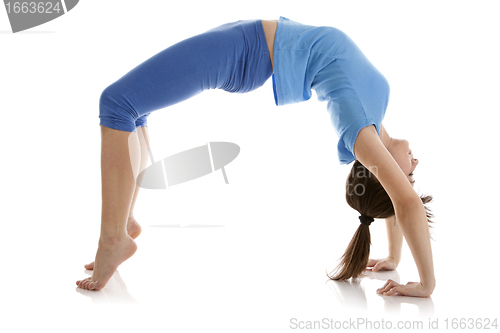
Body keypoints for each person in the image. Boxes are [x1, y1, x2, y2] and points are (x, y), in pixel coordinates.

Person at [76, 17, 435, 298]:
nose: (414, 167)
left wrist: (426, 283)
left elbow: (404, 201)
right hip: (248, 42)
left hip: (244, 52)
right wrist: (393, 257)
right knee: (134, 111)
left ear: (380, 172)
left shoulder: (361, 132)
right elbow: (398, 196)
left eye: (409, 176)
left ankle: (112, 238)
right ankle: (124, 224)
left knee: (116, 104)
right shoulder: (374, 117)